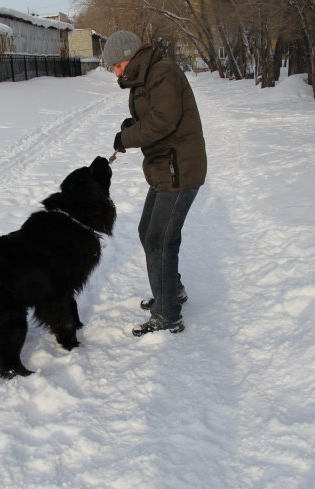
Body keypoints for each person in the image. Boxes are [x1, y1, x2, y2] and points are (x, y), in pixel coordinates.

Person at [102, 30, 207, 337]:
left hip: (179, 169)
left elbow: (164, 120)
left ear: (128, 57)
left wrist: (127, 137)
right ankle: (171, 292)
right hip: (166, 167)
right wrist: (132, 126)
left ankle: (167, 314)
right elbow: (154, 115)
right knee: (148, 231)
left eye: (116, 66)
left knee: (159, 239)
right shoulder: (146, 76)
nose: (115, 72)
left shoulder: (162, 72)